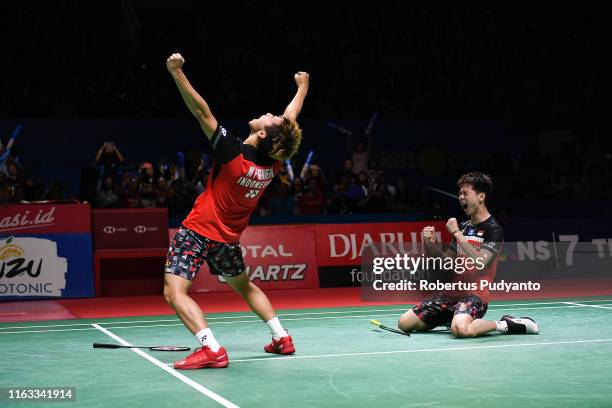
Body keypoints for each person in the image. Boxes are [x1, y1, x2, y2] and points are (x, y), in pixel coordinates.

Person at [163, 52, 309, 369]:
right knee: (243, 286)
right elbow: (289, 123)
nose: (270, 114)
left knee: (174, 292)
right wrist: (302, 88)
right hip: (227, 239)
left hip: (198, 230)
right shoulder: (273, 162)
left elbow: (202, 112)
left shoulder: (234, 154)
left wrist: (176, 73)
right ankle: (281, 337)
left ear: (261, 134)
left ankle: (211, 348)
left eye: (270, 118)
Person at [397, 172, 540, 337]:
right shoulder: (463, 227)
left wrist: (457, 233)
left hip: (475, 295)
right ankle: (453, 317)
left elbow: (482, 262)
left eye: (465, 193)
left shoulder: (493, 229)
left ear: (481, 196)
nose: (461, 197)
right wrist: (429, 243)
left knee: (461, 330)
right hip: (450, 294)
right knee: (404, 323)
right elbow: (446, 263)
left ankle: (505, 324)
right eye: (459, 194)